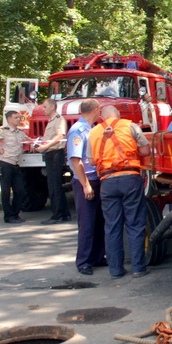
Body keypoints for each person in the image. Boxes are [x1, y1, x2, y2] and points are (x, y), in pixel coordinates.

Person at [89, 105, 151, 279]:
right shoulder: (130, 126)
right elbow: (145, 150)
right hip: (130, 179)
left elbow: (92, 161)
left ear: (102, 116)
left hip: (107, 182)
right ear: (118, 115)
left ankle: (116, 270)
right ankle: (139, 268)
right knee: (135, 224)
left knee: (112, 226)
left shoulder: (93, 132)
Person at [67, 99, 106, 276]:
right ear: (96, 110)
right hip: (86, 180)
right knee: (87, 223)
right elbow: (76, 160)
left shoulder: (92, 129)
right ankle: (84, 261)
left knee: (99, 220)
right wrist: (86, 185)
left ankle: (98, 256)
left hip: (97, 178)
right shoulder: (78, 130)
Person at [36, 98, 71, 225]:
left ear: (52, 107)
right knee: (56, 186)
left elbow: (60, 136)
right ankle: (65, 214)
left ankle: (57, 215)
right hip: (51, 153)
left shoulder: (59, 119)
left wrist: (45, 146)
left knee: (54, 186)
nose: (43, 109)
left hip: (55, 154)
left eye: (45, 106)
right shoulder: (52, 120)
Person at [0, 110, 29, 223]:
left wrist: (32, 144)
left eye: (19, 117)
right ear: (9, 119)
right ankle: (8, 216)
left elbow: (28, 140)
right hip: (4, 163)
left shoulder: (20, 132)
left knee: (20, 190)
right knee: (6, 191)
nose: (19, 119)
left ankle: (15, 214)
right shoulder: (3, 131)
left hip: (15, 164)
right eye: (16, 117)